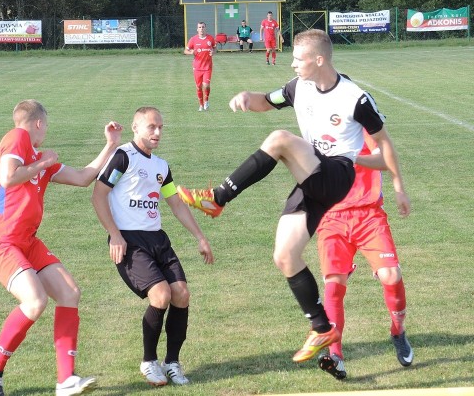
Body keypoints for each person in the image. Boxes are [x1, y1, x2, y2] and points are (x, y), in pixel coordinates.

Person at [177, 29, 410, 364]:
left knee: (280, 139)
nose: (293, 63)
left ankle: (218, 198)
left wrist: (399, 186)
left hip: (336, 175)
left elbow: (385, 144)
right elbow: (266, 101)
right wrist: (247, 96)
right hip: (313, 179)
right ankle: (321, 326)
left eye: (299, 58)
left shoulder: (355, 98)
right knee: (285, 255)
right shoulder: (297, 86)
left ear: (319, 60)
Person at [0, 99, 123, 396]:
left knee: (69, 292)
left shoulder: (38, 157)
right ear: (39, 123)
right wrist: (42, 163)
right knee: (35, 301)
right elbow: (8, 178)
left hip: (26, 240)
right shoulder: (17, 137)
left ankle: (66, 380)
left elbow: (83, 177)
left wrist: (110, 145)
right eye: (46, 126)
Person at [91, 106, 214, 387]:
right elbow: (99, 196)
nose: (157, 132)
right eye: (151, 127)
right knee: (160, 295)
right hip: (130, 242)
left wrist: (200, 237)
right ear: (136, 128)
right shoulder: (123, 156)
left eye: (160, 127)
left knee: (181, 293)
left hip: (157, 238)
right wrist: (115, 235)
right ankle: (149, 362)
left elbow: (175, 204)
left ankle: (172, 362)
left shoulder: (161, 166)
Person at [316, 130, 412, 380]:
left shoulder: (361, 123)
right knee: (333, 285)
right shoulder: (315, 125)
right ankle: (335, 356)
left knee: (391, 276)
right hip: (331, 217)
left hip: (369, 214)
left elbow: (384, 155)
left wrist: (353, 157)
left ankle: (398, 331)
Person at [184, 22, 216, 112]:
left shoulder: (210, 38)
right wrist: (191, 52)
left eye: (203, 27)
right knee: (198, 87)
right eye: (199, 27)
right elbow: (185, 51)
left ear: (205, 28)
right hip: (197, 68)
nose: (201, 29)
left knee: (206, 85)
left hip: (207, 67)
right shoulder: (193, 39)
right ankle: (201, 105)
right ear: (197, 29)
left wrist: (213, 52)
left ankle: (206, 101)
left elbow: (215, 48)